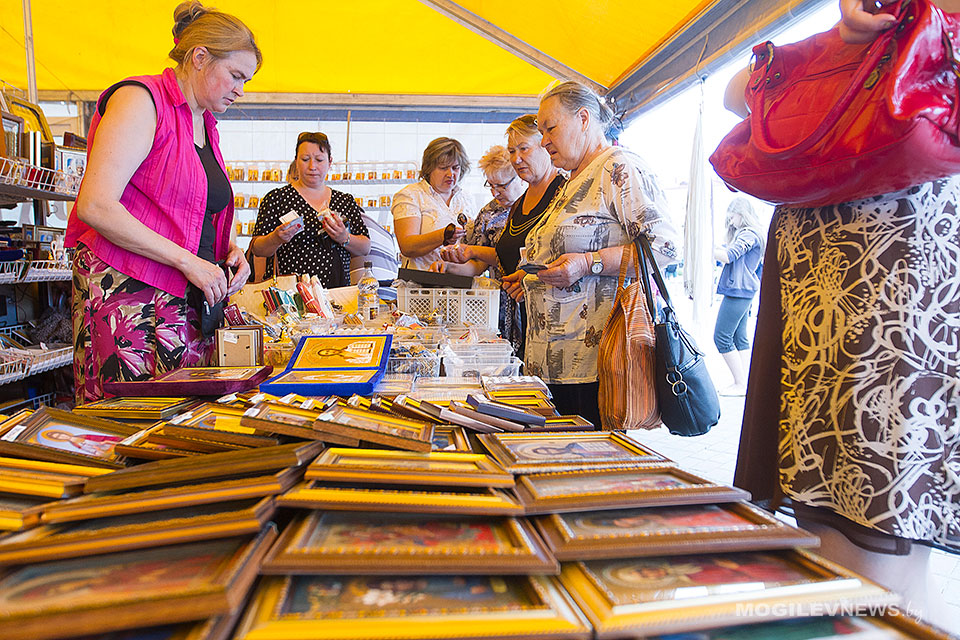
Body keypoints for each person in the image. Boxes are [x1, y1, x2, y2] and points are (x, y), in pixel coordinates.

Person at [727, 0, 959, 626]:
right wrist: (843, 39)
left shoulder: (930, 43)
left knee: (875, 527)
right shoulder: (852, 46)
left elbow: (737, 95)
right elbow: (734, 92)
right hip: (830, 289)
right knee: (839, 520)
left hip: (894, 289)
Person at [67, 2, 260, 403]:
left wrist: (230, 250)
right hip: (129, 295)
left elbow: (193, 209)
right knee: (127, 419)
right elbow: (96, 205)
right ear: (200, 57)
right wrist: (189, 262)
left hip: (183, 299)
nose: (241, 90)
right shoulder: (140, 99)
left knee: (177, 425)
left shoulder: (204, 123)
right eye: (236, 76)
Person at [502, 82, 679, 429]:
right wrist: (534, 279)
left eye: (550, 128)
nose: (544, 141)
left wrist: (587, 263)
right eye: (541, 132)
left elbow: (666, 248)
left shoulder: (619, 168)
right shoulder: (572, 179)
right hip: (553, 364)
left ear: (584, 118)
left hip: (595, 366)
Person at [436, 115, 565, 359]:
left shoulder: (563, 194)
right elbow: (504, 257)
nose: (517, 158)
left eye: (523, 149)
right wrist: (460, 258)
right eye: (512, 150)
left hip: (554, 324)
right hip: (517, 318)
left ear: (546, 145)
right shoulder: (518, 206)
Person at [250, 132, 370, 286]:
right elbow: (257, 249)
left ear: (330, 162)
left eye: (319, 160)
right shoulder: (277, 198)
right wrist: (276, 238)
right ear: (296, 161)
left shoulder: (344, 200)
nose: (312, 166)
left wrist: (344, 237)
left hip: (336, 292)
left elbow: (365, 247)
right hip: (291, 293)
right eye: (305, 159)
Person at [391, 138, 472, 271]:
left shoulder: (466, 198)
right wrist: (443, 235)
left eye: (455, 168)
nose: (450, 174)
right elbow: (407, 246)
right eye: (443, 168)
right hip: (420, 284)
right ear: (429, 169)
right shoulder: (410, 195)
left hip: (460, 283)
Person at [712, 198, 764, 396]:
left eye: (732, 216)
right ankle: (745, 383)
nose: (730, 221)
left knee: (722, 337)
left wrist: (706, 249)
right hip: (745, 290)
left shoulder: (748, 234)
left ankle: (740, 384)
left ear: (742, 214)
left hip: (739, 290)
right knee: (739, 338)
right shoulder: (754, 234)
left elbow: (729, 256)